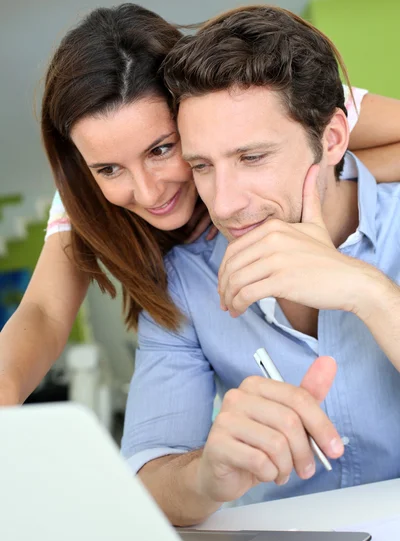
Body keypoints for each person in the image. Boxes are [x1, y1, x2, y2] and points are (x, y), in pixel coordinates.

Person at [0, 3, 398, 408]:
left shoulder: (259, 97)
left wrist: (328, 178)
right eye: (108, 169)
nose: (149, 193)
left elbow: (327, 153)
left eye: (161, 149)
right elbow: (45, 313)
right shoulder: (85, 199)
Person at [121, 5, 400, 527]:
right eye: (202, 165)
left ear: (333, 139)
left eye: (252, 158)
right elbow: (146, 480)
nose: (224, 205)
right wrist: (205, 476)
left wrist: (370, 291)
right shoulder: (186, 281)